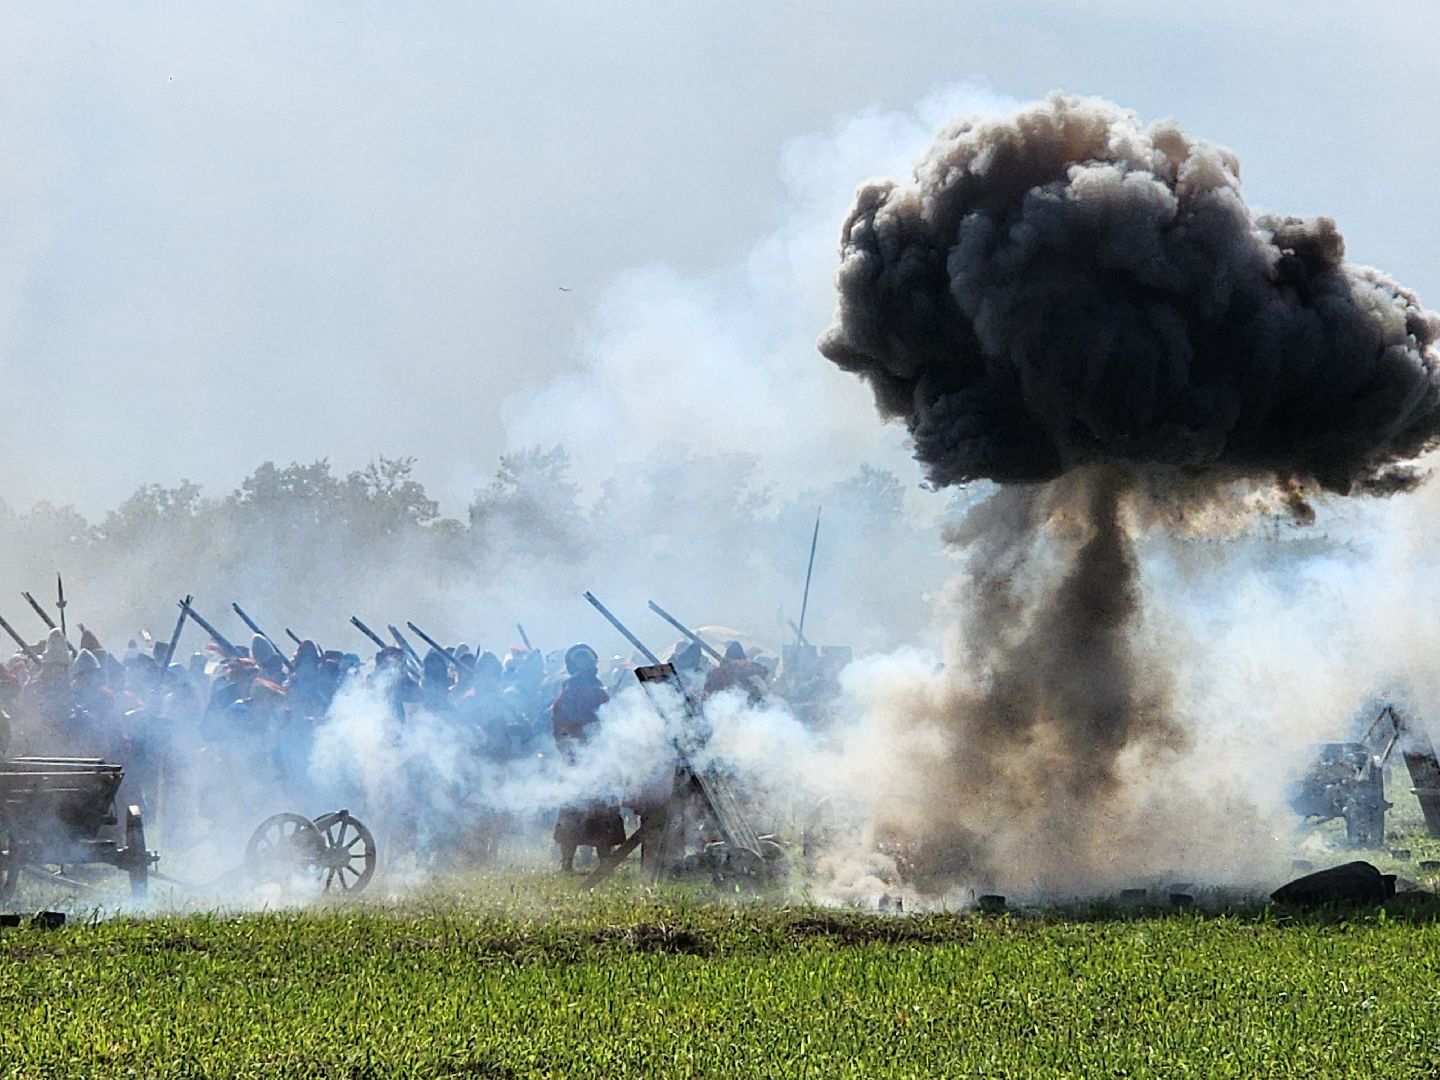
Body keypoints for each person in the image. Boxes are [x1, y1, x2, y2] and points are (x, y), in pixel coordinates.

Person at [551, 643, 625, 871]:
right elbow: (561, 731)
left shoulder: (598, 695)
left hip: (596, 760)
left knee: (601, 814)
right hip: (578, 761)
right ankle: (570, 863)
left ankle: (601, 862)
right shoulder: (570, 697)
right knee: (575, 812)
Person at [702, 641, 770, 705]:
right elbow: (763, 670)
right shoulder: (740, 668)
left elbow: (763, 671)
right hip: (728, 705)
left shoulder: (715, 672)